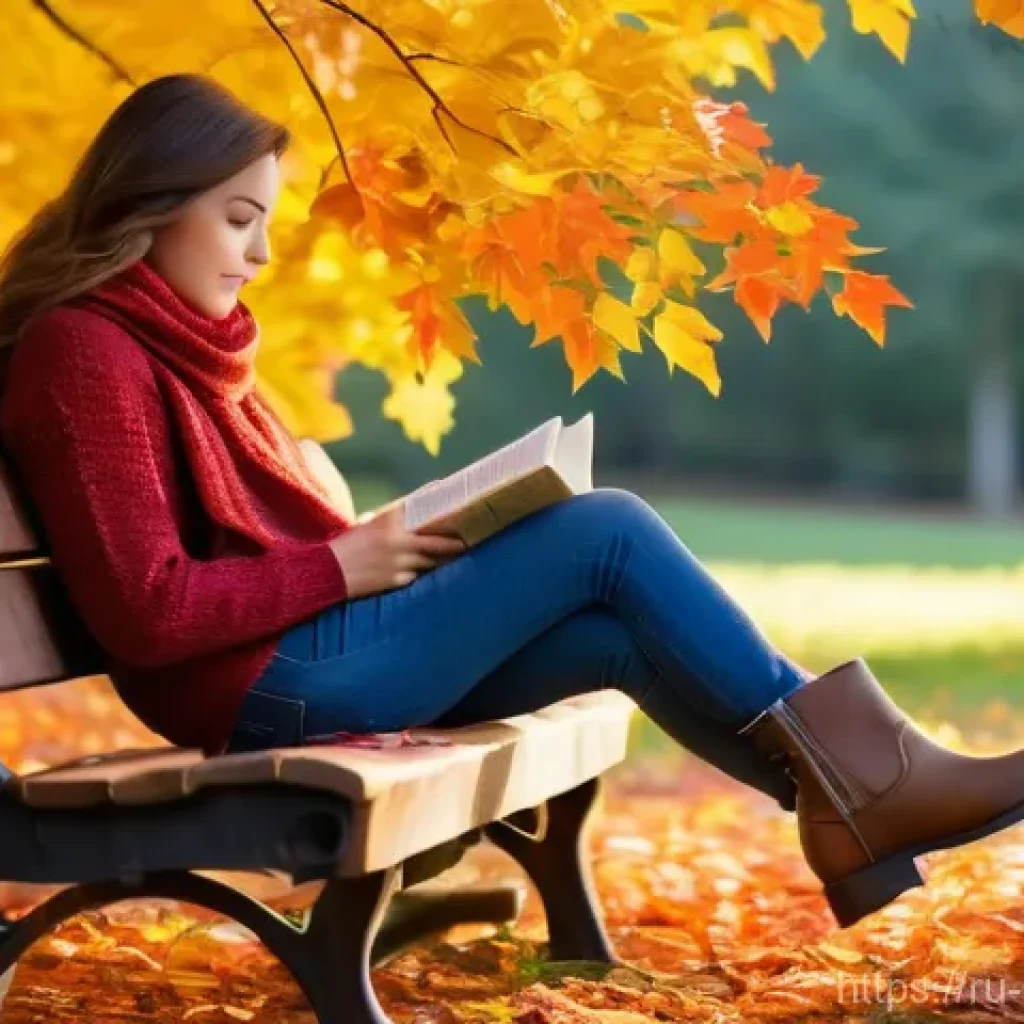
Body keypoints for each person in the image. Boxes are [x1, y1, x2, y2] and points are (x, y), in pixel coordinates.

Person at [1, 73, 1022, 933]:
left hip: (298, 656)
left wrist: (384, 553)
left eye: (262, 222)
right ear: (149, 202)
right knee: (605, 529)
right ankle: (873, 787)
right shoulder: (85, 349)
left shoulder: (168, 344)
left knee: (611, 633)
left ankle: (848, 802)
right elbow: (145, 608)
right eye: (238, 219)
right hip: (262, 689)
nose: (260, 254)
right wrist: (344, 567)